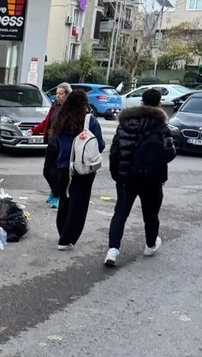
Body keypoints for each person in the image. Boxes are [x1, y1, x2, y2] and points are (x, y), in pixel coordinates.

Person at [105, 87, 176, 267]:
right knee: (151, 214)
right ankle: (150, 244)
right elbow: (170, 153)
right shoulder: (161, 126)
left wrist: (117, 174)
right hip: (152, 178)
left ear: (141, 102)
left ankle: (113, 250)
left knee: (120, 212)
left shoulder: (125, 124)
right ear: (159, 103)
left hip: (126, 177)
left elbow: (114, 152)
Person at [51, 89, 105, 250]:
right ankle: (67, 239)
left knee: (65, 200)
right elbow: (99, 145)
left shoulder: (60, 119)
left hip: (62, 166)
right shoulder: (90, 121)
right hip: (83, 168)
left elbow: (56, 143)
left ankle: (62, 232)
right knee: (79, 204)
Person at [30, 82, 71, 210]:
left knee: (57, 172)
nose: (58, 96)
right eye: (57, 94)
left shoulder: (70, 109)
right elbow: (46, 121)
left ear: (67, 94)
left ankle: (57, 196)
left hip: (63, 145)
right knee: (46, 171)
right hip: (52, 143)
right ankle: (55, 191)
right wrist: (34, 130)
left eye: (61, 94)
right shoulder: (55, 106)